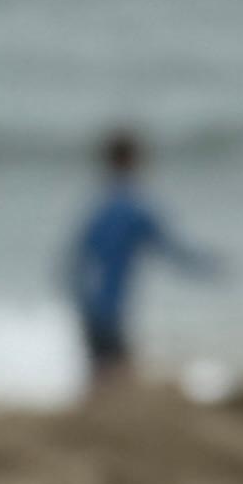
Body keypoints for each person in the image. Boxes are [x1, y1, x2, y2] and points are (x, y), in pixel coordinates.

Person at [63, 128, 215, 389]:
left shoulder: (98, 209)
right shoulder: (136, 209)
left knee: (100, 382)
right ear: (135, 161)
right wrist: (210, 266)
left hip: (90, 309)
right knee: (119, 383)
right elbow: (173, 251)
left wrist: (81, 302)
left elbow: (74, 263)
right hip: (112, 312)